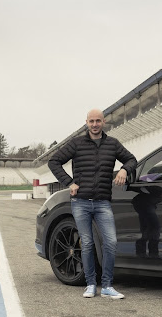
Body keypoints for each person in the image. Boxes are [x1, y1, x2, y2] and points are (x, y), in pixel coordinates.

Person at [48, 108, 137, 299]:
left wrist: (123, 170)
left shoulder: (112, 144)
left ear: (104, 122)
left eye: (98, 121)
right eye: (91, 121)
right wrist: (69, 183)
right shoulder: (77, 143)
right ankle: (90, 284)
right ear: (86, 123)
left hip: (103, 202)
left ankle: (106, 286)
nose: (95, 124)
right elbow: (54, 161)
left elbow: (131, 159)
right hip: (80, 202)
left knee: (111, 242)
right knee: (87, 243)